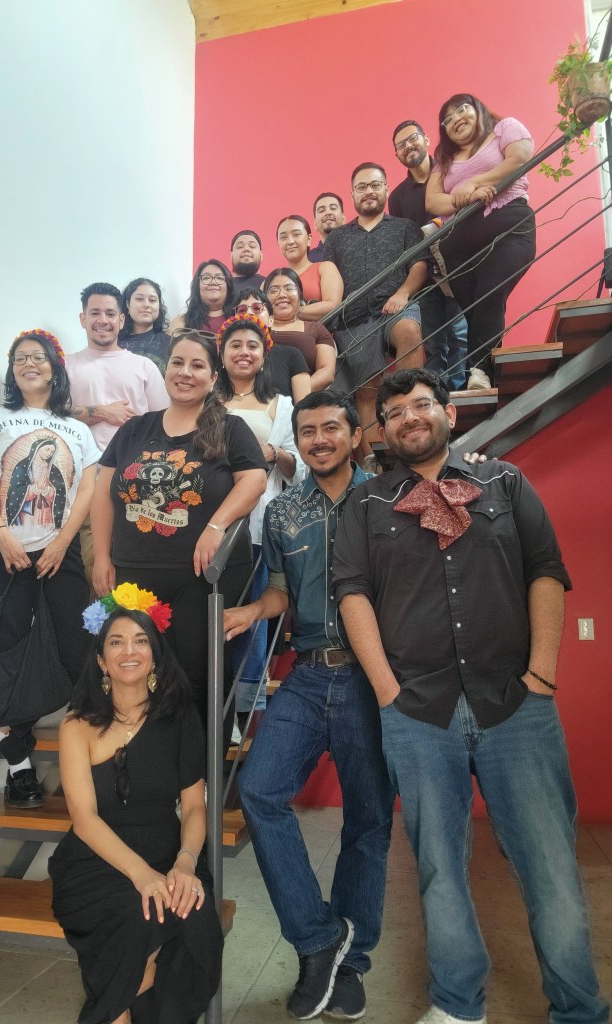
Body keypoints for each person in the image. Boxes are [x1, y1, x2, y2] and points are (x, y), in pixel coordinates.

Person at [332, 368, 609, 1024]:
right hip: (418, 712)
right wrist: (387, 691)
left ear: (449, 413)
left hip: (517, 704)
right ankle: (458, 1006)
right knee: (438, 866)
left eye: (421, 404)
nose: (410, 417)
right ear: (383, 431)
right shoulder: (365, 506)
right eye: (395, 412)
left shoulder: (504, 482)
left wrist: (542, 676)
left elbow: (546, 571)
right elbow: (352, 595)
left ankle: (579, 1009)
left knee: (549, 864)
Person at [224, 390, 394, 1022]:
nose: (319, 439)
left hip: (371, 680)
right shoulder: (282, 512)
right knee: (259, 791)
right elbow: (279, 591)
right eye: (307, 431)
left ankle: (351, 963)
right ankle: (318, 939)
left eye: (331, 428)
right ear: (295, 441)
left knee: (368, 821)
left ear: (354, 435)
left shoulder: (388, 498)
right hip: (306, 673)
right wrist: (251, 611)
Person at [91, 332, 267, 751]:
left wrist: (216, 526)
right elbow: (102, 494)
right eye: (177, 363)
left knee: (198, 676)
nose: (185, 373)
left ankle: (201, 774)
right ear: (165, 369)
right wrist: (101, 557)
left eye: (197, 365)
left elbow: (255, 479)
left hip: (202, 579)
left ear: (214, 376)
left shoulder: (230, 428)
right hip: (133, 576)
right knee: (135, 672)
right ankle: (149, 767)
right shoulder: (134, 429)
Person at [49, 601, 223, 1024]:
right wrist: (141, 874)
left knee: (191, 914)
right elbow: (84, 820)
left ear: (155, 656)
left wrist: (185, 863)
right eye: (116, 642)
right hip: (96, 862)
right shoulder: (76, 726)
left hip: (168, 853)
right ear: (101, 661)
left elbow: (194, 806)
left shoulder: (181, 717)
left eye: (141, 641)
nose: (129, 651)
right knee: (138, 917)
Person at [0, 329, 101, 809]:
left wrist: (62, 543)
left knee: (76, 649)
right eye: (20, 358)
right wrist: (2, 535)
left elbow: (84, 491)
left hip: (59, 552)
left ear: (55, 368)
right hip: (0, 552)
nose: (29, 364)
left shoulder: (76, 430)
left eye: (38, 357)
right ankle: (18, 762)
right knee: (9, 650)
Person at [216, 314, 305, 723]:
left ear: (264, 355)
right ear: (222, 354)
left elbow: (299, 467)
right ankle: (209, 702)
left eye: (252, 345)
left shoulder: (282, 405)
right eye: (235, 345)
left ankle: (243, 712)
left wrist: (273, 453)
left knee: (249, 617)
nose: (244, 352)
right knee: (207, 613)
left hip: (256, 526)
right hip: (209, 522)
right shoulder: (207, 401)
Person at [425, 95, 537, 391]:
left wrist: (474, 181)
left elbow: (520, 157)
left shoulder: (503, 128)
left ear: (477, 109)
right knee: (476, 310)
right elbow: (433, 201)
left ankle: (478, 372)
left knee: (490, 293)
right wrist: (466, 196)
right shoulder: (444, 159)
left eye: (462, 109)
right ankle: (484, 372)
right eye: (448, 119)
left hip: (509, 227)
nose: (456, 119)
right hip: (458, 249)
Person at [323, 161, 427, 469]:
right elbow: (329, 280)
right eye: (361, 187)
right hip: (353, 319)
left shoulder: (405, 227)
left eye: (375, 185)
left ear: (385, 188)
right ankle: (374, 462)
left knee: (409, 330)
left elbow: (420, 266)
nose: (368, 191)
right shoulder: (336, 238)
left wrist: (403, 293)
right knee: (367, 392)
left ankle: (409, 408)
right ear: (352, 194)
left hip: (395, 306)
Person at [66, 283, 169, 579]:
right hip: (85, 481)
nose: (103, 320)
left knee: (137, 566)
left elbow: (164, 424)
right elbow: (53, 414)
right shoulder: (67, 365)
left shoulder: (144, 366)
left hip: (137, 481)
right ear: (83, 318)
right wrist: (102, 411)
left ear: (121, 320)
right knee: (95, 568)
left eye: (110, 313)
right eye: (95, 312)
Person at [390, 120, 468, 390]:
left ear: (425, 139)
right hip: (424, 277)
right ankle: (438, 396)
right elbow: (404, 242)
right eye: (401, 145)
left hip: (459, 267)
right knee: (434, 343)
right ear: (397, 154)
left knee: (460, 335)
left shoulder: (452, 172)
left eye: (412, 138)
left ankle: (460, 391)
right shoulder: (397, 197)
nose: (408, 146)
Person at [264, 267, 336, 392]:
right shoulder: (256, 328)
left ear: (300, 295)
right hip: (259, 398)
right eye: (274, 290)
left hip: (303, 399)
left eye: (289, 289)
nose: (282, 295)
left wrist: (296, 393)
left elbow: (327, 372)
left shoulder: (317, 329)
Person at [233, 287, 311, 403]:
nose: (249, 313)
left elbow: (304, 408)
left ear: (271, 320)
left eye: (257, 308)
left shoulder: (292, 355)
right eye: (242, 310)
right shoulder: (225, 355)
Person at [276, 215, 343, 321]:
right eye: (283, 237)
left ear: (309, 239)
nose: (290, 241)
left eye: (296, 234)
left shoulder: (325, 268)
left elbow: (333, 306)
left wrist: (287, 311)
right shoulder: (271, 281)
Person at [118, 277, 171, 377]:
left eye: (152, 300)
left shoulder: (171, 343)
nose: (146, 305)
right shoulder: (114, 342)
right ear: (128, 305)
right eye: (139, 299)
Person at [168, 259, 235, 335]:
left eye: (220, 278)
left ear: (228, 286)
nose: (213, 282)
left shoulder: (239, 317)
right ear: (197, 286)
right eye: (206, 278)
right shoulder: (182, 321)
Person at [309, 192, 347, 263]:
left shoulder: (358, 250)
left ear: (343, 219)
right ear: (315, 225)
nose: (328, 212)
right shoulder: (308, 261)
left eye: (333, 208)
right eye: (321, 210)